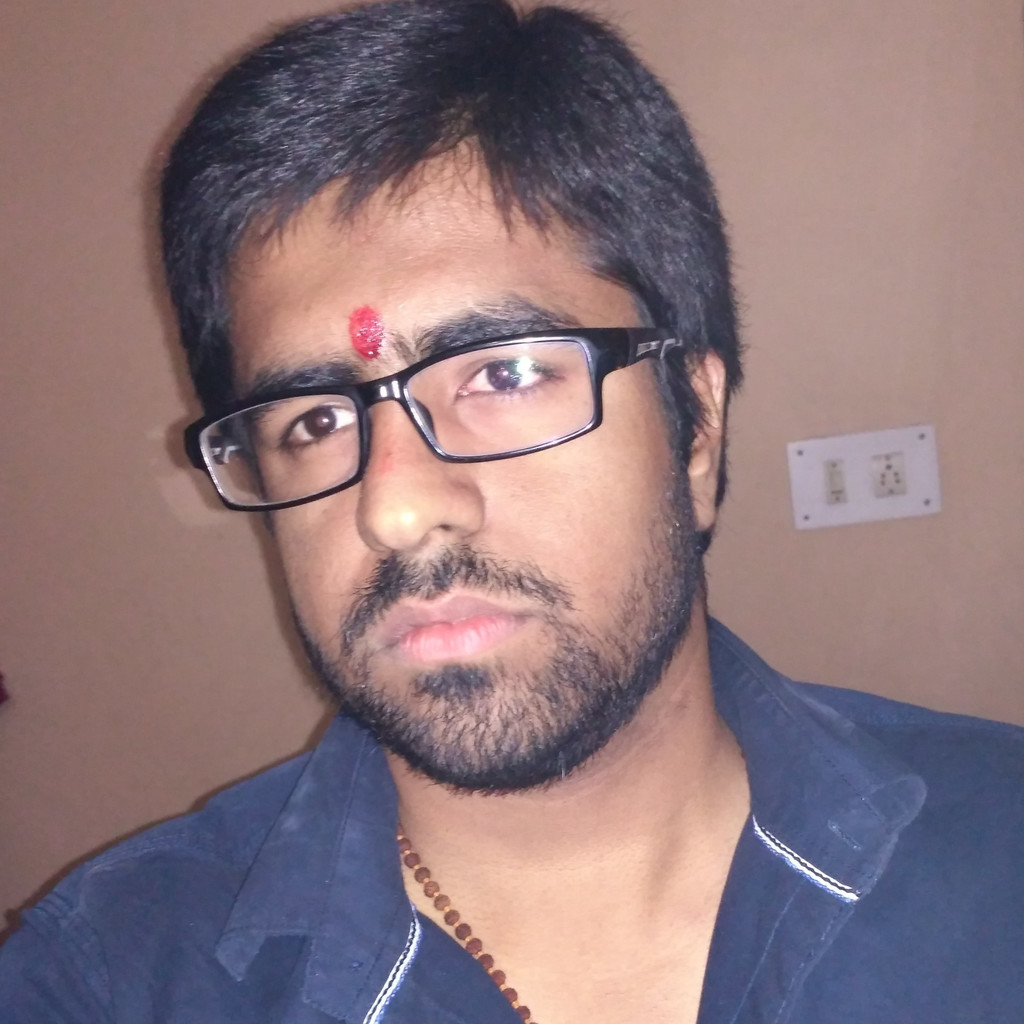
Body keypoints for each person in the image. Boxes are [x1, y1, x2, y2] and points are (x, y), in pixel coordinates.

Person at [2, 1, 1022, 1021]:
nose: (395, 506)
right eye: (314, 421)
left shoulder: (999, 864)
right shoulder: (107, 981)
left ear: (697, 428)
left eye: (505, 372)